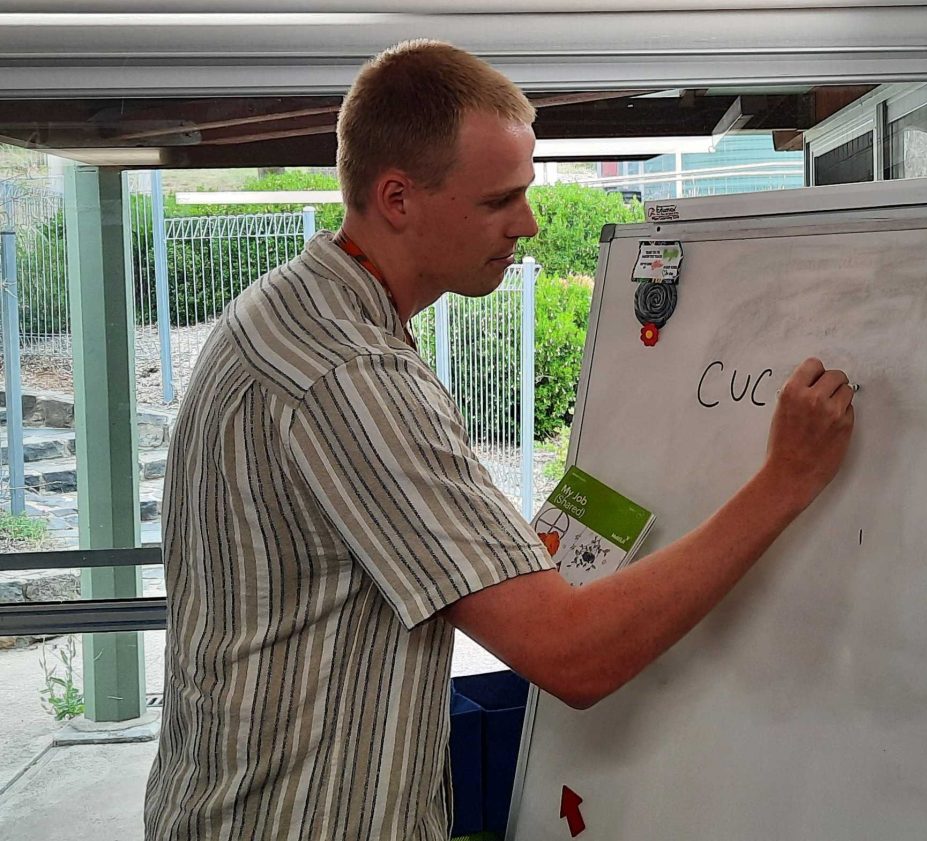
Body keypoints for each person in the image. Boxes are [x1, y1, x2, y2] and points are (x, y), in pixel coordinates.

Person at [144, 39, 855, 841]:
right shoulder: (352, 375)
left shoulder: (290, 305)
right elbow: (572, 655)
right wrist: (787, 476)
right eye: (496, 201)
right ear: (398, 197)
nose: (529, 222)